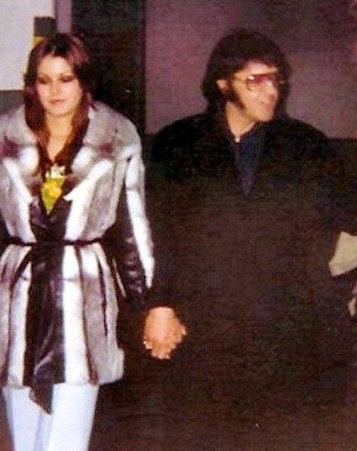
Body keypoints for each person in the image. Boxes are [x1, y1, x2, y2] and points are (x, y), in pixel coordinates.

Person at [0, 33, 186, 451]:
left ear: (83, 81)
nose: (55, 91)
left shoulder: (116, 139)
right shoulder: (5, 138)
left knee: (66, 441)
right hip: (17, 303)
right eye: (44, 80)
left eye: (66, 78)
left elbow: (131, 231)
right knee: (26, 442)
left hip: (82, 302)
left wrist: (153, 305)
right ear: (32, 84)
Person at [148, 29, 357, 414]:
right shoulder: (177, 144)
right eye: (255, 81)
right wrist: (160, 305)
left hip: (289, 329)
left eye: (275, 79)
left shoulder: (306, 146)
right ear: (223, 83)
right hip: (204, 327)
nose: (270, 91)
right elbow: (160, 234)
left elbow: (347, 214)